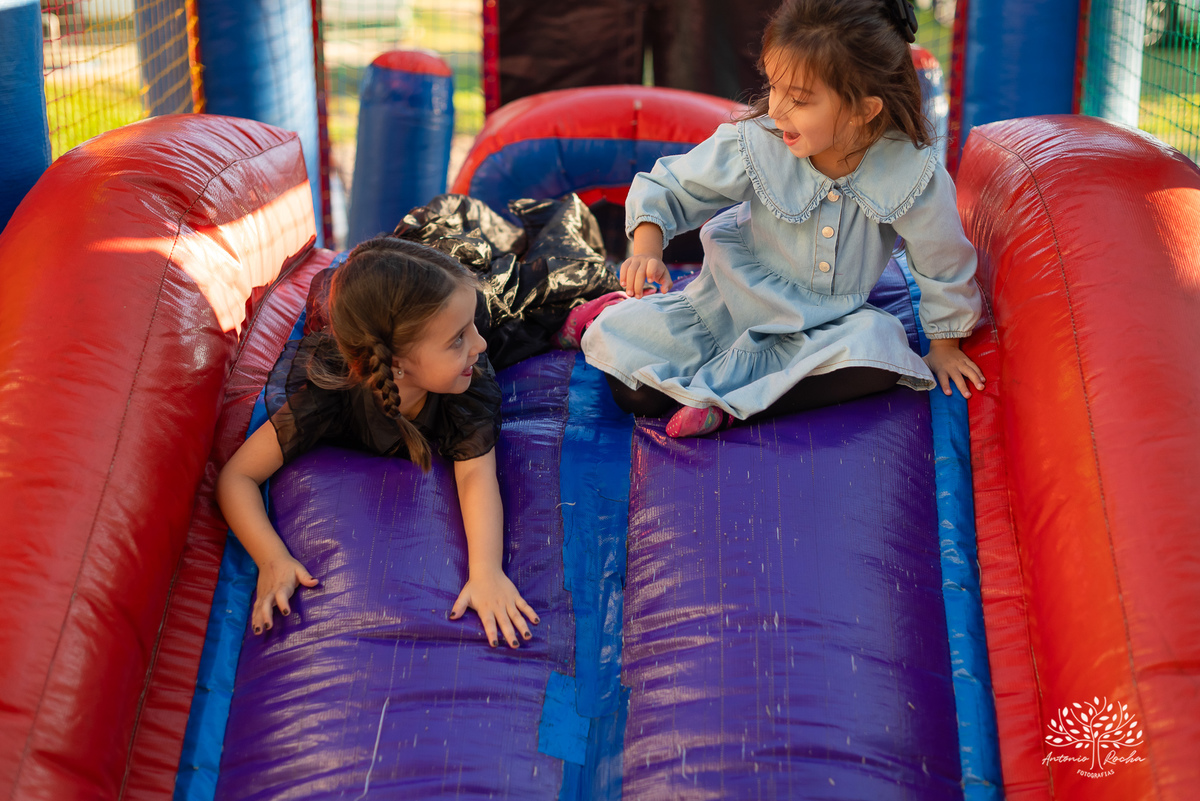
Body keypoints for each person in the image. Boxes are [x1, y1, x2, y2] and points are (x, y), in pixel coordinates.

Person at [578, 0, 985, 438]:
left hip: (827, 325)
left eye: (801, 100)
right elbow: (671, 186)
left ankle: (732, 409)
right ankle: (618, 313)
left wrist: (943, 346)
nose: (775, 110)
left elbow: (942, 260)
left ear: (864, 110)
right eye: (773, 86)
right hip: (729, 309)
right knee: (633, 393)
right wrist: (647, 250)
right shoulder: (760, 144)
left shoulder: (908, 172)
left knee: (880, 353)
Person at [216, 237, 539, 650]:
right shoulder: (330, 395)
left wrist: (486, 572)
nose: (480, 344)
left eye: (471, 329)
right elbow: (237, 476)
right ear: (398, 365)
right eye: (459, 338)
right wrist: (271, 557)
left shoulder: (466, 387)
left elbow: (476, 474)